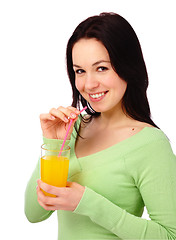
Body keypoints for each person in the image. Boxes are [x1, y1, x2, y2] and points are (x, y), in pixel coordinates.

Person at [25, 12, 176, 239]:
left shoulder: (151, 145)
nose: (89, 84)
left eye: (102, 68)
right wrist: (54, 144)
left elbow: (170, 235)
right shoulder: (72, 129)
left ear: (127, 66)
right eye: (80, 71)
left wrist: (87, 202)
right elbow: (33, 213)